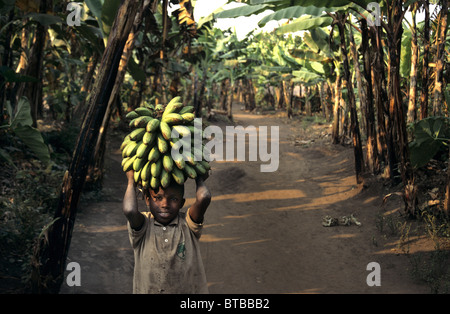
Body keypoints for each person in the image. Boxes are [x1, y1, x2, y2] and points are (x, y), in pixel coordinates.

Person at [123, 169, 211, 294]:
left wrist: (199, 178)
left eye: (174, 199)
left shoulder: (188, 224)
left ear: (182, 203)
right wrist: (131, 181)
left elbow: (204, 198)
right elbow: (129, 211)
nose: (165, 204)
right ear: (147, 200)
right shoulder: (144, 225)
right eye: (158, 198)